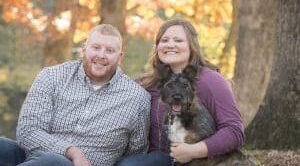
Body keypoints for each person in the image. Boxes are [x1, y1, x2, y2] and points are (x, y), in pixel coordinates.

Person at [0, 24, 151, 166]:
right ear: (84, 49)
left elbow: (136, 152)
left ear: (120, 57)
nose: (101, 55)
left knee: (52, 162)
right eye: (96, 47)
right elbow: (28, 131)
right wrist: (73, 152)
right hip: (34, 158)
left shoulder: (137, 99)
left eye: (109, 50)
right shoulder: (52, 76)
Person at [115, 19, 245, 166]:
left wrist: (193, 151)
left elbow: (234, 131)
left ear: (192, 47)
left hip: (202, 160)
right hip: (160, 159)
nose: (170, 44)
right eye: (164, 40)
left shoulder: (211, 81)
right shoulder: (146, 83)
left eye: (178, 40)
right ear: (157, 47)